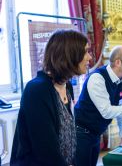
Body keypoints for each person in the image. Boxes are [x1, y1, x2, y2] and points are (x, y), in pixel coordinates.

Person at [10, 29, 92, 166]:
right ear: (69, 54)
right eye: (85, 52)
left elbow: (68, 136)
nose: (89, 57)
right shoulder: (37, 90)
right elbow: (45, 149)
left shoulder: (67, 86)